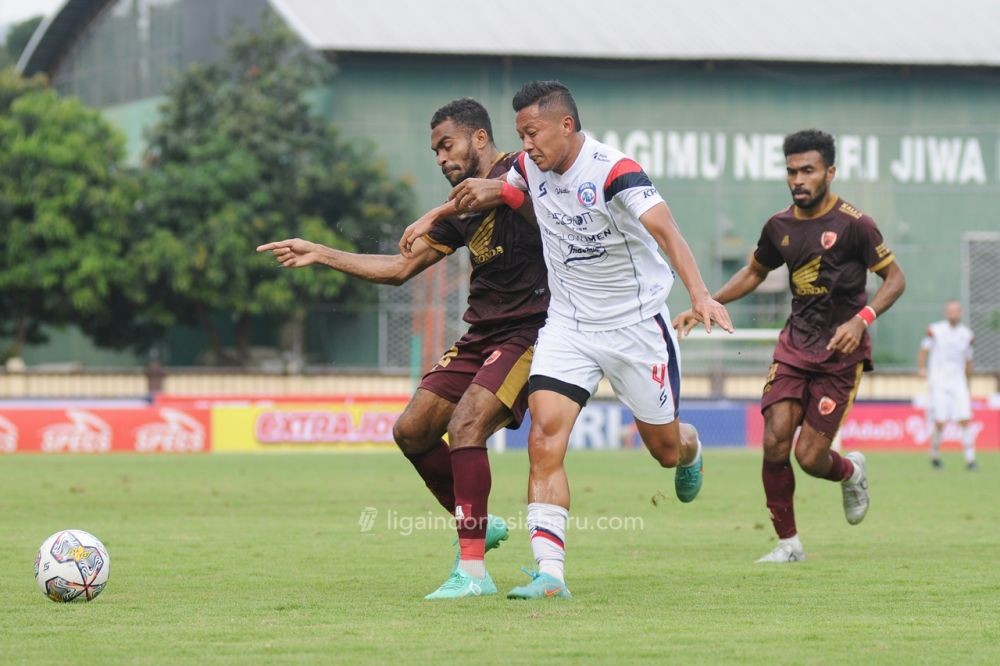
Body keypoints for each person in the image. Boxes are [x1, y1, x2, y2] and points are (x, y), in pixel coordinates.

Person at [404, 80, 732, 599]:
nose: (525, 146)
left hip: (635, 327)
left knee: (664, 450)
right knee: (543, 441)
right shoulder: (529, 167)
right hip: (568, 327)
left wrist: (700, 295)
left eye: (532, 133)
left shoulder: (615, 172)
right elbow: (487, 191)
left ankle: (690, 448)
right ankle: (550, 574)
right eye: (519, 135)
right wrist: (433, 215)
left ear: (566, 125)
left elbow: (668, 231)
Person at [258, 98, 549, 599]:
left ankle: (473, 572)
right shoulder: (461, 208)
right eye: (435, 150)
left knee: (466, 426)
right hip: (482, 333)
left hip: (531, 331)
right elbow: (398, 269)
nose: (440, 157)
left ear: (480, 138)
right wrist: (321, 253)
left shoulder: (523, 173)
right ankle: (483, 524)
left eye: (447, 144)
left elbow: (547, 206)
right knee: (411, 431)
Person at [675, 129, 906, 563]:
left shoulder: (856, 224)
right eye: (791, 171)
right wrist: (706, 302)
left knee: (810, 457)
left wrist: (863, 319)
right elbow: (754, 273)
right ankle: (789, 544)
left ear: (830, 173)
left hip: (840, 355)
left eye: (808, 171)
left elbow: (895, 279)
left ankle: (851, 470)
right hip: (795, 349)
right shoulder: (779, 227)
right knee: (775, 441)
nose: (798, 179)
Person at [917, 300, 977, 470]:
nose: (952, 313)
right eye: (950, 310)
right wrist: (921, 369)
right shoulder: (935, 330)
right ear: (946, 312)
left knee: (965, 419)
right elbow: (923, 350)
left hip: (958, 382)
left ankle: (970, 459)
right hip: (939, 381)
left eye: (955, 310)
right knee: (940, 421)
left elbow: (968, 360)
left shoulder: (967, 335)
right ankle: (935, 454)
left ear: (961, 313)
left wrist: (968, 382)